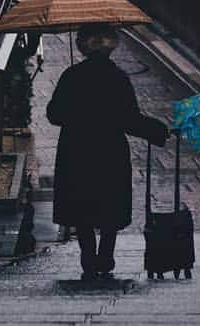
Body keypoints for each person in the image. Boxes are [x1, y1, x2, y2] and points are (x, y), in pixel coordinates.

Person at [46, 24, 168, 281]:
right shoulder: (118, 78)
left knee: (81, 206)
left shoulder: (71, 76)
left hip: (76, 150)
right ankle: (106, 254)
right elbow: (130, 119)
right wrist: (157, 130)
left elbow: (54, 115)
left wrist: (75, 112)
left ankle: (88, 256)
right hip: (109, 150)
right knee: (109, 203)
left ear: (83, 46)